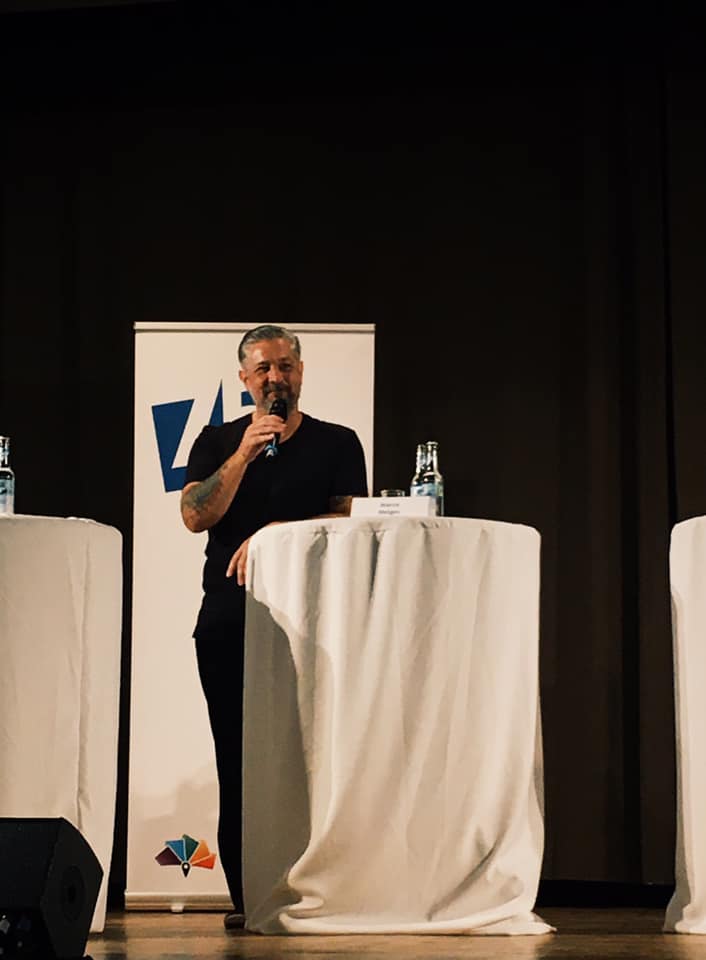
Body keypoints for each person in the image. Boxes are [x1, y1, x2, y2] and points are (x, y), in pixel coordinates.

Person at [180, 324, 368, 928]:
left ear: (302, 371)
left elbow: (349, 524)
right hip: (232, 621)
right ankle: (250, 900)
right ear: (244, 380)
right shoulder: (217, 441)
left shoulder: (339, 443)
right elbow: (194, 514)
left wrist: (275, 538)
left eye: (285, 366)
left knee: (316, 760)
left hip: (317, 623)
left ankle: (319, 891)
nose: (275, 378)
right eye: (262, 369)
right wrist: (243, 454)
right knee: (238, 762)